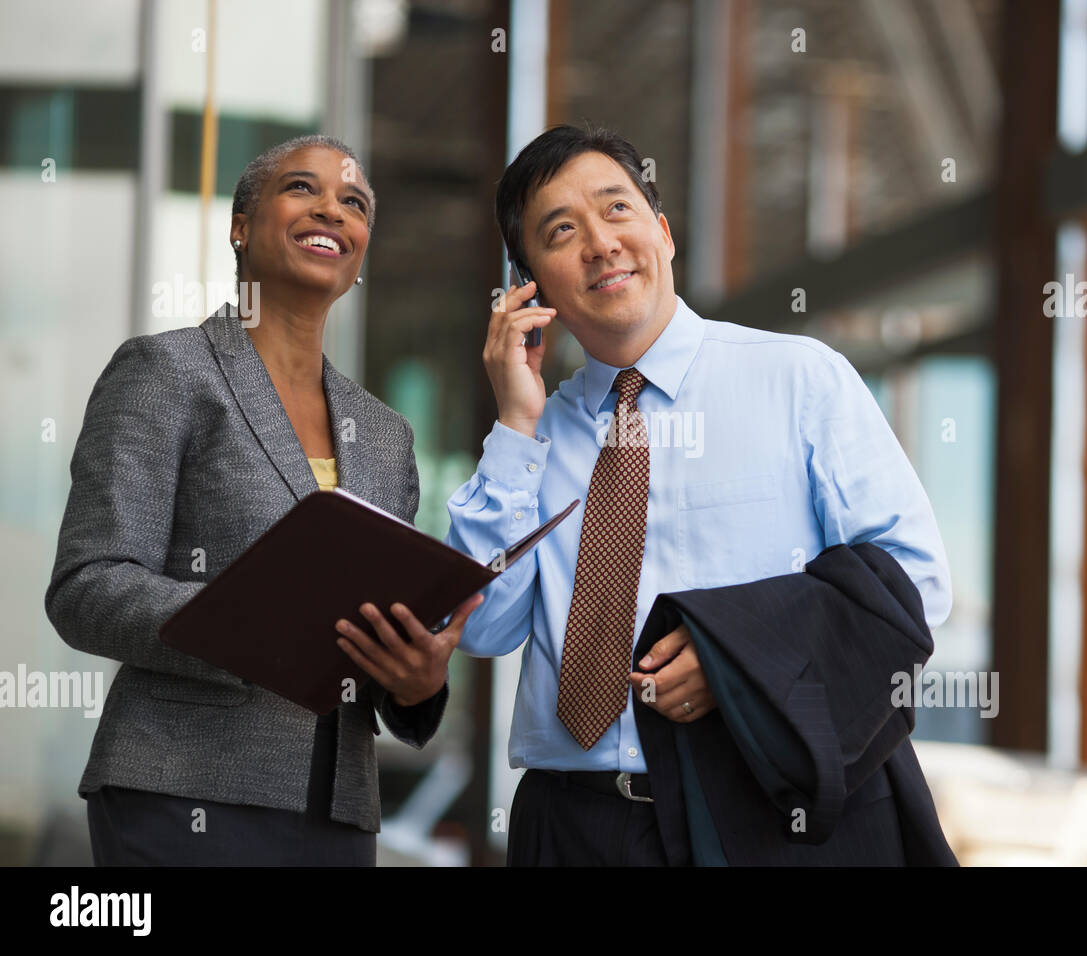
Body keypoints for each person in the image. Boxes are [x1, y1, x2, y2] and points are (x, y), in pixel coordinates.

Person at [446, 124, 952, 865]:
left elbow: (915, 582)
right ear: (531, 287)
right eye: (561, 231)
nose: (600, 243)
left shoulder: (798, 379)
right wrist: (516, 426)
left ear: (663, 233)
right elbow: (483, 628)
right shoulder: (535, 434)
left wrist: (735, 659)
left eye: (617, 210)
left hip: (754, 814)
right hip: (569, 827)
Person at [45, 134, 481, 866]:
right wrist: (241, 627)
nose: (331, 211)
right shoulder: (167, 373)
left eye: (354, 203)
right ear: (240, 225)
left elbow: (369, 651)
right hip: (181, 795)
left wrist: (415, 681)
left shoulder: (384, 436)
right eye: (301, 188)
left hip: (336, 816)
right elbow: (87, 587)